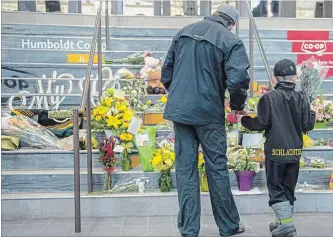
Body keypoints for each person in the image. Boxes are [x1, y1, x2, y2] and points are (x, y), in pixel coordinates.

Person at [161, 4, 250, 237]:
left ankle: (189, 229)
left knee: (185, 170)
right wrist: (238, 105)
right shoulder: (230, 40)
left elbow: (166, 73)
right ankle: (228, 226)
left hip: (181, 112)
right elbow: (239, 78)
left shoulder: (184, 31)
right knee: (216, 168)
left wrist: (181, 95)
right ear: (231, 23)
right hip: (209, 113)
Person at [241, 59, 316, 237]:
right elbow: (307, 124)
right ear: (294, 78)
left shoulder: (268, 98)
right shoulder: (302, 97)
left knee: (276, 188)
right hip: (295, 152)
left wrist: (244, 119)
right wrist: (312, 111)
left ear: (275, 79)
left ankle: (287, 225)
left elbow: (260, 123)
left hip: (276, 152)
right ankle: (281, 220)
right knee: (288, 187)